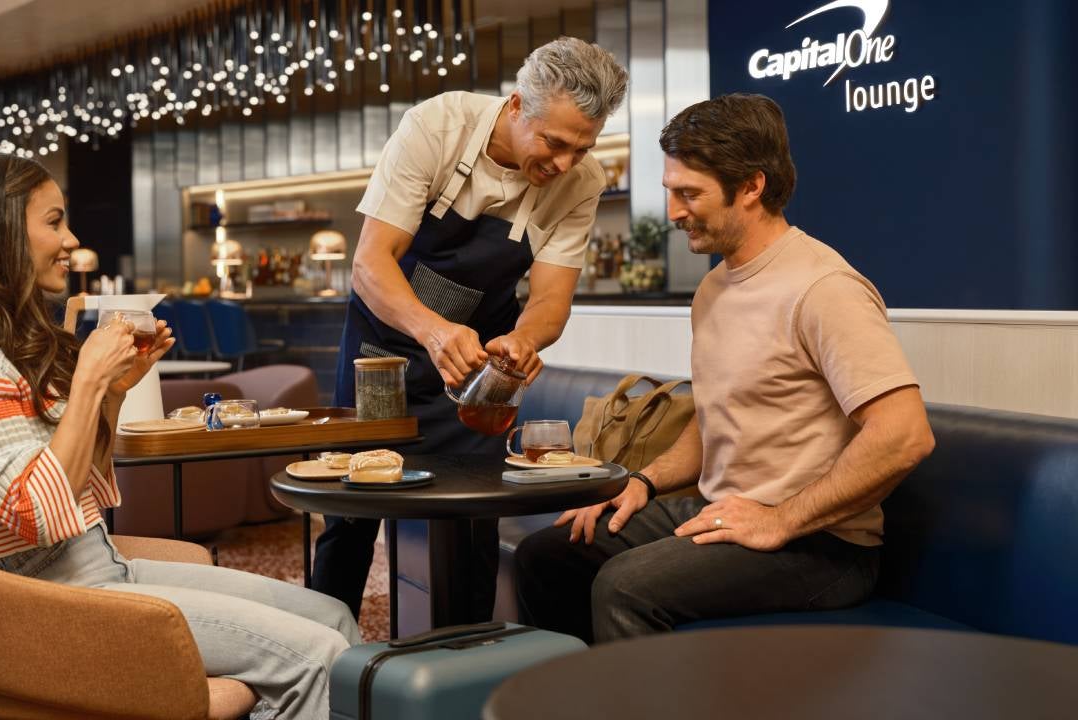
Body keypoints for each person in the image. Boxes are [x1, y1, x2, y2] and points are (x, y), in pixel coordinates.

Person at [0, 152, 360, 719]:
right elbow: (36, 512)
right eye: (53, 221)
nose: (71, 238)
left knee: (334, 617)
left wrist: (113, 392)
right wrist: (87, 382)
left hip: (96, 569)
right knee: (319, 654)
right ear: (0, 232)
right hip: (57, 600)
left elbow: (80, 487)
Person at [514, 94, 936, 643]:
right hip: (725, 512)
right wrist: (643, 481)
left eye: (690, 194)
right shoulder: (714, 288)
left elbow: (905, 436)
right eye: (671, 192)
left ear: (752, 187)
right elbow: (715, 416)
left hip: (822, 546)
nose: (673, 213)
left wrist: (779, 519)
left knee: (625, 586)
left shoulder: (824, 288)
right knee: (548, 553)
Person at [313, 37, 629, 622]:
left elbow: (551, 301)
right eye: (554, 143)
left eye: (581, 147)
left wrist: (525, 341)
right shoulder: (437, 128)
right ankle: (317, 661)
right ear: (516, 107)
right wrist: (434, 333)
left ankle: (465, 659)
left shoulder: (581, 182)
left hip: (481, 371)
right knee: (351, 515)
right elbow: (371, 263)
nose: (564, 163)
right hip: (385, 353)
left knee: (475, 513)